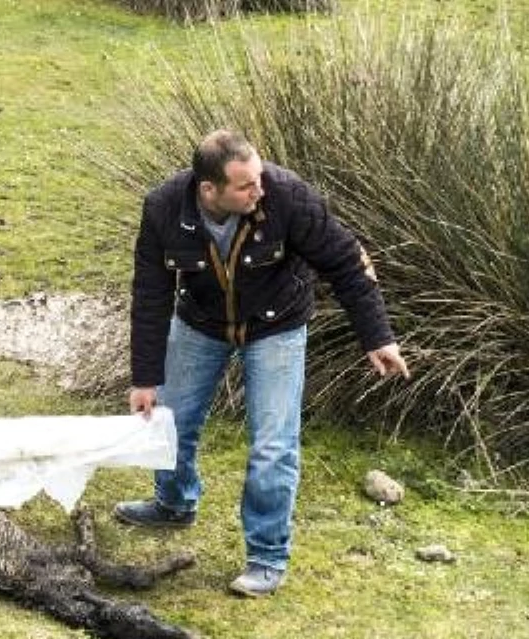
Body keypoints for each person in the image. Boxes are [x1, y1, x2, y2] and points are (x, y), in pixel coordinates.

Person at [114, 129, 409, 596]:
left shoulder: (288, 196)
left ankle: (267, 556)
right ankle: (173, 503)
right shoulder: (164, 207)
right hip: (200, 323)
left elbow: (348, 262)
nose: (260, 190)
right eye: (246, 186)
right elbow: (150, 292)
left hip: (277, 326)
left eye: (259, 178)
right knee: (168, 421)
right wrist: (145, 377)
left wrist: (378, 337)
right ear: (209, 190)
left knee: (273, 445)